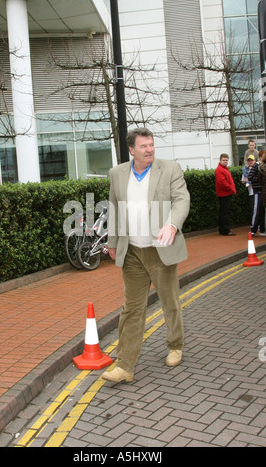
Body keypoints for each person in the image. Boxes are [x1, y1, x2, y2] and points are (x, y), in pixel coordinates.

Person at [102, 127, 190, 383]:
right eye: (143, 146)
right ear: (132, 150)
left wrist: (171, 224)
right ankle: (125, 365)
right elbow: (114, 208)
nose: (149, 149)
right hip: (132, 253)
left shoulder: (169, 169)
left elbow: (181, 200)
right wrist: (113, 241)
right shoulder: (117, 173)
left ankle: (175, 345)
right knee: (132, 308)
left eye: (151, 144)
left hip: (159, 249)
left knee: (169, 301)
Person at [215, 153, 236, 236]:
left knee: (224, 212)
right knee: (225, 213)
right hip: (224, 194)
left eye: (226, 160)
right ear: (220, 160)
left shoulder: (223, 169)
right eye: (224, 160)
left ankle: (223, 229)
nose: (225, 162)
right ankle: (225, 230)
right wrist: (231, 188)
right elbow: (222, 182)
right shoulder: (220, 170)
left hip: (225, 193)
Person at [248, 151, 266, 237]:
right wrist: (259, 180)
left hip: (262, 190)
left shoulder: (263, 166)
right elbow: (250, 177)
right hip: (257, 191)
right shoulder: (256, 166)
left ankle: (262, 229)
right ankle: (253, 229)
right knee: (256, 210)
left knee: (262, 211)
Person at [241, 154, 255, 224]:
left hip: (257, 191)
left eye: (251, 160)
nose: (250, 162)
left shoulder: (257, 169)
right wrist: (246, 180)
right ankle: (253, 223)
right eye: (249, 160)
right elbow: (243, 181)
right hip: (251, 192)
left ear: (254, 161)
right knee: (252, 209)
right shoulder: (245, 170)